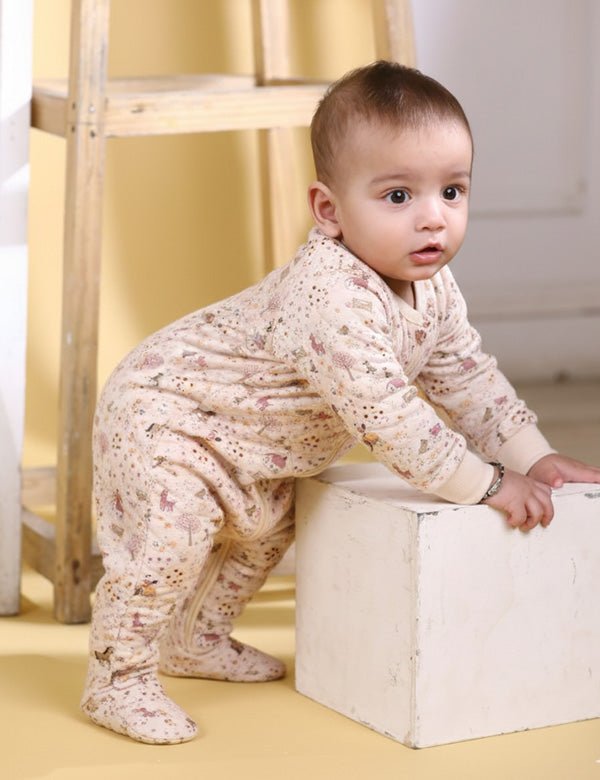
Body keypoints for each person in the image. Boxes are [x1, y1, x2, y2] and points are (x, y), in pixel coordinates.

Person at [81, 60, 600, 744]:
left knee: (270, 527)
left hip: (257, 443)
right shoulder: (330, 296)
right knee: (169, 544)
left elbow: (468, 379)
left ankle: (196, 640)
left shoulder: (434, 290)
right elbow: (392, 420)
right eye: (397, 197)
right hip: (168, 413)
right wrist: (490, 483)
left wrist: (537, 456)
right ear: (329, 210)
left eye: (452, 190)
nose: (432, 219)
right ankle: (116, 678)